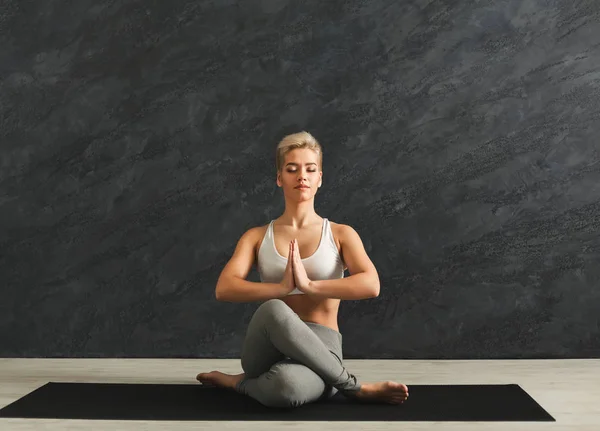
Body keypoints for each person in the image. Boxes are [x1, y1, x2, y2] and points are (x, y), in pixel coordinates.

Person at [196, 131, 409, 408]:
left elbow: (371, 285)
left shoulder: (340, 234)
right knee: (274, 308)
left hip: (323, 346)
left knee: (287, 389)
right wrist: (280, 289)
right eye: (292, 169)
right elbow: (224, 288)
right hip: (268, 349)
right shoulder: (257, 236)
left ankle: (240, 383)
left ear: (320, 178)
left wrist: (310, 286)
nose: (302, 176)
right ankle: (354, 387)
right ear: (279, 178)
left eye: (310, 169)